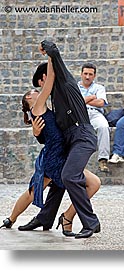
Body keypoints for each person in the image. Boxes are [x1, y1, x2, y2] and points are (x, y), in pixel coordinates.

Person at [0, 59, 101, 236]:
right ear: (29, 99)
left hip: (60, 155)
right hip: (54, 158)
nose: (38, 91)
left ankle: (66, 217)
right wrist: (51, 58)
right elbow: (48, 84)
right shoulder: (37, 108)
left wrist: (37, 133)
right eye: (33, 92)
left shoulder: (44, 109)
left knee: (92, 183)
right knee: (34, 190)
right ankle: (11, 218)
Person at [32, 40, 100, 239]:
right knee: (61, 177)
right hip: (70, 140)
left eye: (41, 83)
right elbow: (49, 134)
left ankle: (91, 222)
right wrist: (37, 134)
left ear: (45, 78)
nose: (40, 89)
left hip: (82, 135)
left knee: (69, 176)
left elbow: (55, 62)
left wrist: (48, 50)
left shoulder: (67, 84)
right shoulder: (55, 102)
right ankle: (46, 218)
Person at [78, 63, 110, 172]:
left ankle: (103, 159)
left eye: (90, 74)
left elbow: (101, 102)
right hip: (79, 114)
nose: (87, 77)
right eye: (85, 74)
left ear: (94, 76)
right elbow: (74, 104)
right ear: (81, 74)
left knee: (103, 126)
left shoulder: (99, 88)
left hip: (95, 113)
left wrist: (83, 100)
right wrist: (91, 97)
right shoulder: (74, 87)